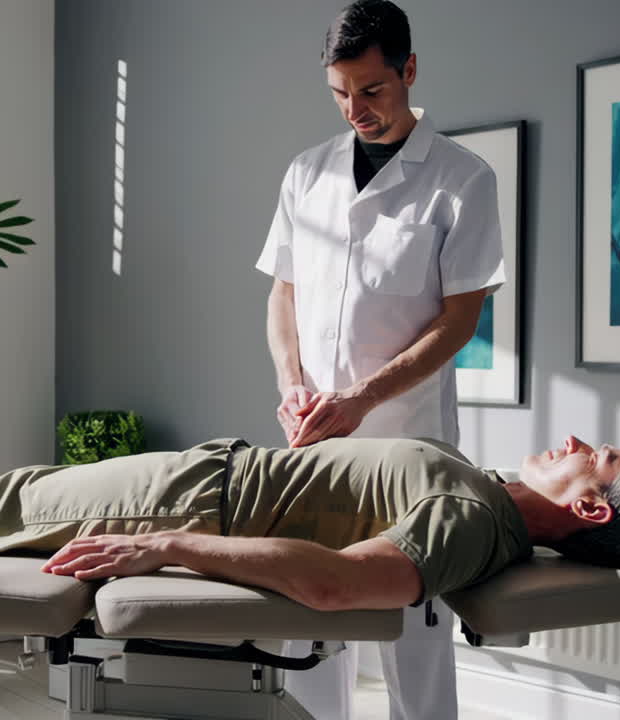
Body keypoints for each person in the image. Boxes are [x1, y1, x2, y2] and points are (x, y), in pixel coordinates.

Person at [0, 436, 620, 615]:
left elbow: (349, 582)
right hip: (203, 481)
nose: (569, 438)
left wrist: (160, 545)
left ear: (587, 508)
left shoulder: (475, 522)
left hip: (185, 504)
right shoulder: (478, 501)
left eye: (592, 453)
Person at [255, 1, 505, 716]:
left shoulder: (464, 180)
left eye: (372, 91)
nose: (355, 110)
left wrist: (361, 399)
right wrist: (292, 381)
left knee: (413, 633)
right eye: (339, 93)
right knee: (310, 616)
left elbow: (459, 323)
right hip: (313, 438)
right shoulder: (306, 174)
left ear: (410, 70)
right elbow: (283, 295)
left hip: (410, 445)